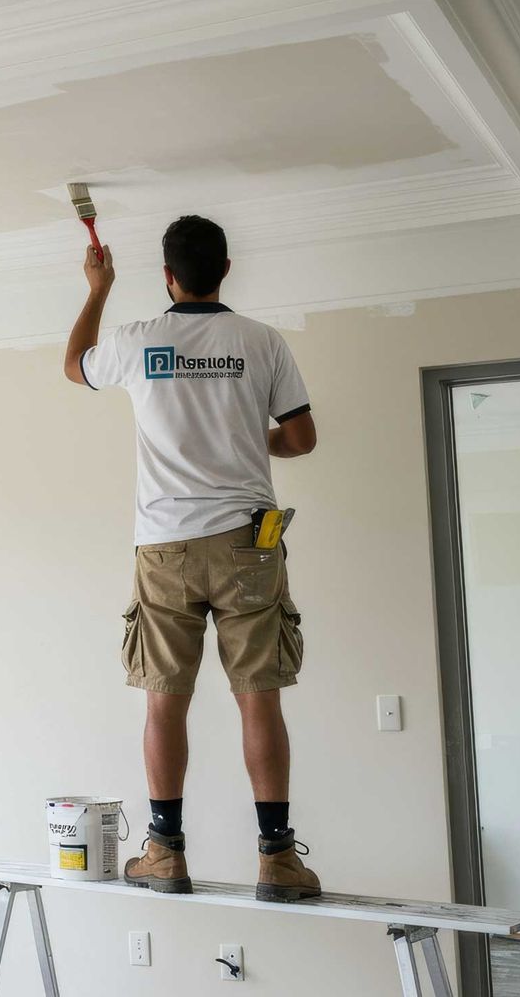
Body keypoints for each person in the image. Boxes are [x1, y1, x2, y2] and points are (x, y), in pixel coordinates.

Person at [63, 215, 322, 902]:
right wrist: (244, 438)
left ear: (168, 276)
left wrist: (97, 288)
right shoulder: (260, 342)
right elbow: (301, 437)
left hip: (165, 545)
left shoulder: (138, 340)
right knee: (257, 698)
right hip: (247, 542)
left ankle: (164, 852)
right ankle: (276, 860)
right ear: (226, 269)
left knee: (163, 703)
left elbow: (73, 366)